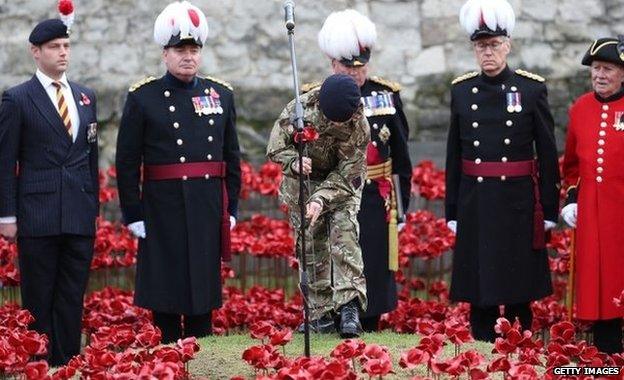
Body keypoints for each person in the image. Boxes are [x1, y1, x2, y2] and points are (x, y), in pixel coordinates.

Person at [116, 1, 241, 344]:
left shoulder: (221, 94)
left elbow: (232, 154)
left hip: (205, 204)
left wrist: (232, 208)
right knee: (166, 287)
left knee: (203, 284)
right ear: (165, 54)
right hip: (162, 206)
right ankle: (169, 352)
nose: (188, 56)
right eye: (180, 50)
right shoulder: (144, 97)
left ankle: (202, 351)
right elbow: (127, 161)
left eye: (194, 49)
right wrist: (132, 212)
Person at [445, 0, 560, 342]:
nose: (488, 53)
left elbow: (549, 153)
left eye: (494, 45)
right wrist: (452, 208)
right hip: (476, 198)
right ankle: (481, 343)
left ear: (508, 45)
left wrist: (550, 209)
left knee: (517, 282)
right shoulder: (462, 91)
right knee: (479, 282)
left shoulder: (531, 89)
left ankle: (519, 342)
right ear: (474, 49)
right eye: (481, 46)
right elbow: (454, 154)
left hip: (518, 199)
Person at [0, 2, 99, 365]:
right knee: (39, 297)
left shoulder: (85, 96)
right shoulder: (18, 98)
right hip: (37, 215)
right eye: (55, 47)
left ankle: (68, 362)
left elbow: (91, 156)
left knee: (72, 296)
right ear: (35, 52)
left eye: (66, 46)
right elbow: (5, 161)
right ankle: (40, 364)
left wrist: (93, 211)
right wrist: (6, 215)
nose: (63, 53)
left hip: (77, 213)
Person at [315, 9, 412, 332]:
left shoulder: (386, 94)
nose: (356, 73)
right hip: (336, 196)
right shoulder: (317, 98)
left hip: (374, 195)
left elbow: (401, 157)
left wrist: (402, 207)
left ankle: (367, 322)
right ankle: (334, 317)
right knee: (334, 261)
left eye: (361, 66)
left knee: (371, 261)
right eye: (347, 66)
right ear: (333, 64)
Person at [267, 74, 369, 338]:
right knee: (311, 244)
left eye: (341, 120)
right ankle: (319, 313)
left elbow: (349, 172)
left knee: (344, 235)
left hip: (340, 185)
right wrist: (294, 162)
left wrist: (321, 198)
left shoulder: (359, 125)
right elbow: (275, 149)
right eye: (331, 118)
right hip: (303, 183)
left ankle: (349, 308)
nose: (336, 123)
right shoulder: (298, 110)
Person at [561, 37, 624, 354]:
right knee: (599, 280)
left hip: (621, 211)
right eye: (596, 68)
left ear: (622, 73)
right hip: (593, 214)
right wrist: (572, 198)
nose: (600, 74)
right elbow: (571, 165)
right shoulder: (580, 108)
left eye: (608, 69)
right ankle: (605, 349)